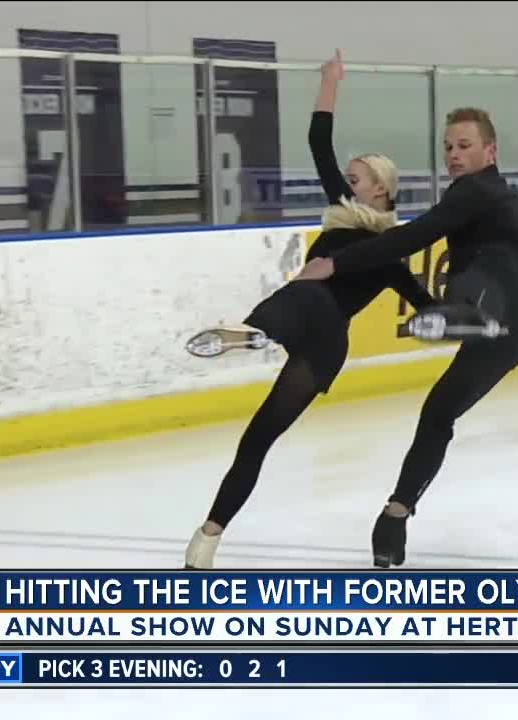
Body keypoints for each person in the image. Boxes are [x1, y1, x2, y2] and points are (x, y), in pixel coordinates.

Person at [182, 50, 435, 570]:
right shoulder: (349, 217)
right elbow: (319, 142)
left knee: (307, 286)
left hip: (316, 327)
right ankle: (207, 539)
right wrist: (329, 82)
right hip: (311, 335)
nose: (349, 181)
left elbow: (425, 303)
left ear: (382, 188)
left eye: (358, 177)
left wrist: (461, 310)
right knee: (256, 438)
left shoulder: (390, 248)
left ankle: (253, 334)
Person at [293, 106, 518, 568]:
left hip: (491, 311)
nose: (454, 156)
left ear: (490, 151)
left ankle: (472, 312)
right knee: (437, 413)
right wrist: (514, 312)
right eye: (449, 147)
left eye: (464, 146)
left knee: (471, 280)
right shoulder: (513, 204)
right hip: (516, 333)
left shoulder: (474, 191)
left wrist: (337, 263)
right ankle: (395, 516)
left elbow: (413, 236)